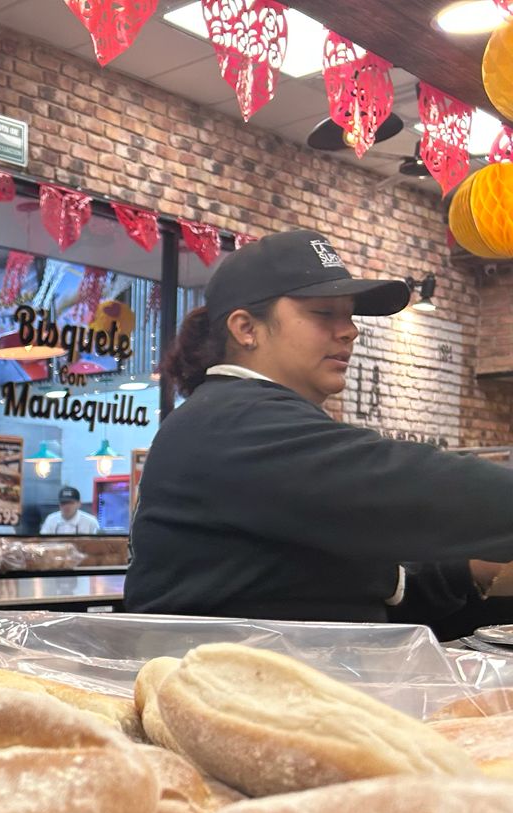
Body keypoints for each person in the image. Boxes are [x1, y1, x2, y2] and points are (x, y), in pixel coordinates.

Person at [125, 228, 513, 625]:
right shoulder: (232, 423)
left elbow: (364, 586)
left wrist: (471, 569)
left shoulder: (250, 419)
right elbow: (403, 483)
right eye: (324, 312)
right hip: (221, 682)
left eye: (348, 314)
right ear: (246, 329)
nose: (350, 330)